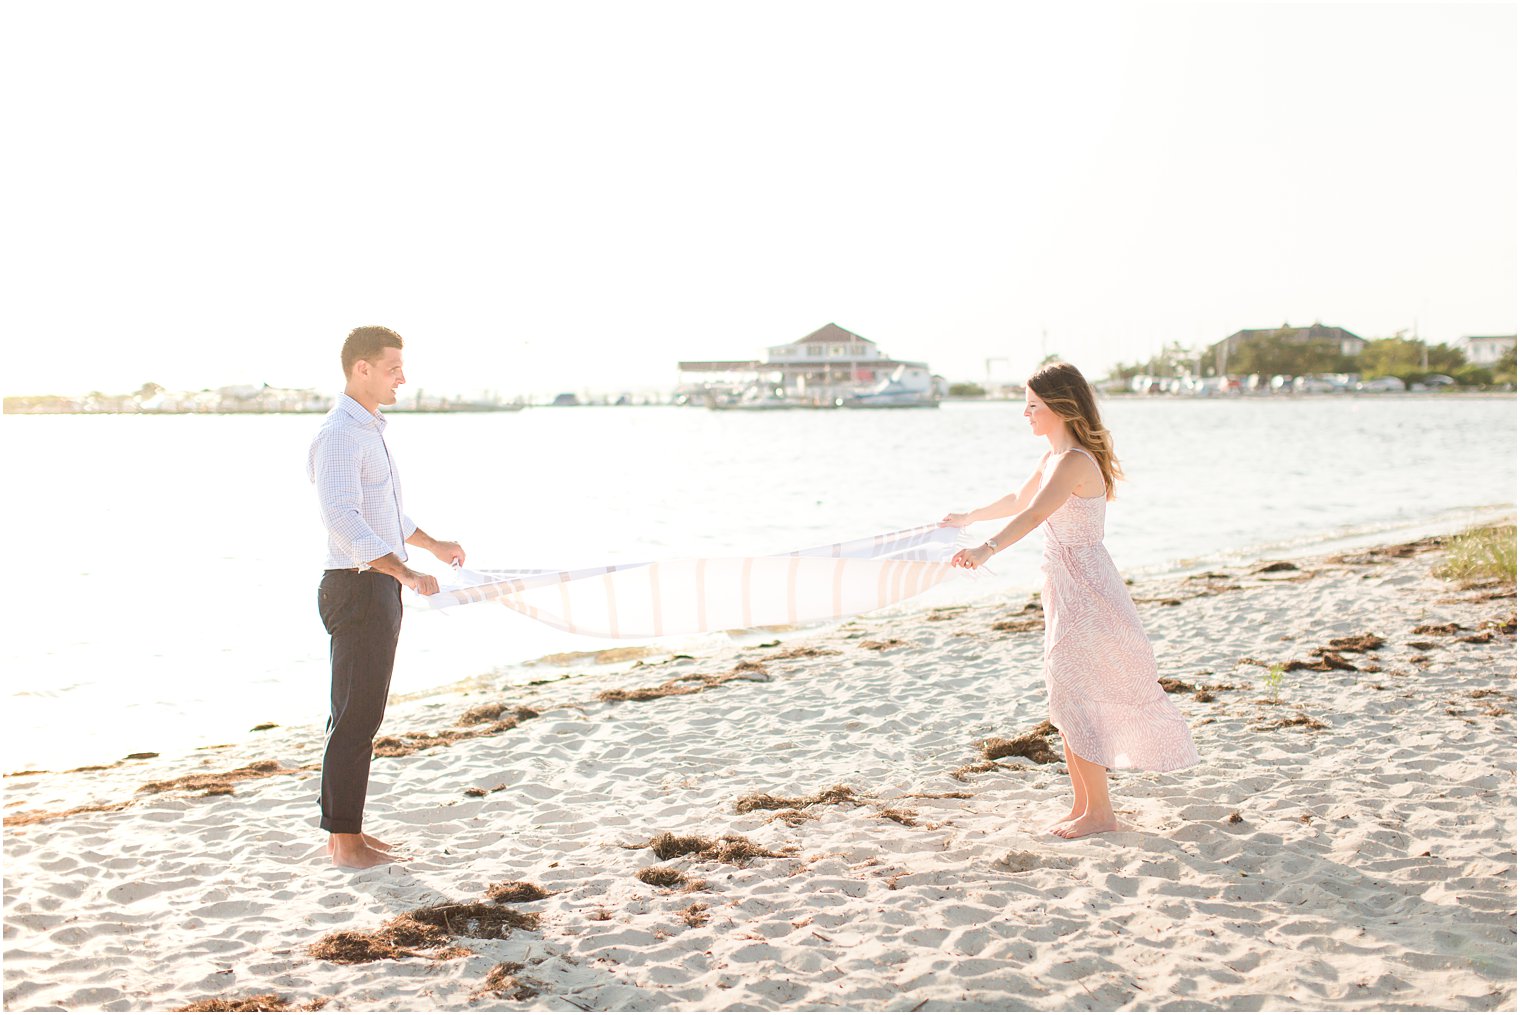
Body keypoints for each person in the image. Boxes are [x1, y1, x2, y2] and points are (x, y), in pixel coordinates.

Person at [943, 362, 1198, 839]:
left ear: (1059, 407)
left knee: (1075, 694)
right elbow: (1019, 499)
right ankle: (1084, 805)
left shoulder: (1075, 461)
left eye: (1033, 406)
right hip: (1065, 586)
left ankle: (1100, 812)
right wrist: (969, 518)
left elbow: (1038, 513)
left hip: (1088, 589)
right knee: (1066, 696)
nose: (1025, 413)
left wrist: (986, 549)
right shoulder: (1052, 458)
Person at [308, 326, 466, 869]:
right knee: (354, 717)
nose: (403, 376)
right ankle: (345, 846)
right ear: (363, 369)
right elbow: (343, 519)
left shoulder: (369, 430)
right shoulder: (340, 434)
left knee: (361, 715)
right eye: (394, 366)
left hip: (374, 583)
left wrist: (432, 545)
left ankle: (346, 835)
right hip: (356, 586)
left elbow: (383, 513)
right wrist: (403, 571)